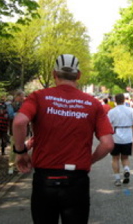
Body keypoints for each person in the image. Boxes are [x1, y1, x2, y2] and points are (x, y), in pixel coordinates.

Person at [12, 54, 114, 224]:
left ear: (54, 74)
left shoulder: (39, 96)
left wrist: (20, 151)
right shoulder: (92, 103)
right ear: (79, 75)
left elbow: (19, 122)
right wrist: (90, 160)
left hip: (45, 179)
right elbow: (108, 144)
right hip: (76, 180)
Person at [108, 93, 133, 186]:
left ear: (115, 100)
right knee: (125, 157)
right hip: (128, 136)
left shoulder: (112, 111)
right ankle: (126, 169)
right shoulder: (130, 110)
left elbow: (107, 123)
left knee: (115, 158)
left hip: (116, 136)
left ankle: (117, 179)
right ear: (124, 100)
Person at [7, 90, 25, 174]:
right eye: (21, 96)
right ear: (16, 96)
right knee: (13, 149)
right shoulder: (11, 105)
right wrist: (20, 114)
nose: (22, 98)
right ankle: (11, 166)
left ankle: (19, 166)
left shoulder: (25, 105)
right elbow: (11, 115)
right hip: (14, 130)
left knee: (23, 148)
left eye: (23, 96)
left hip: (24, 130)